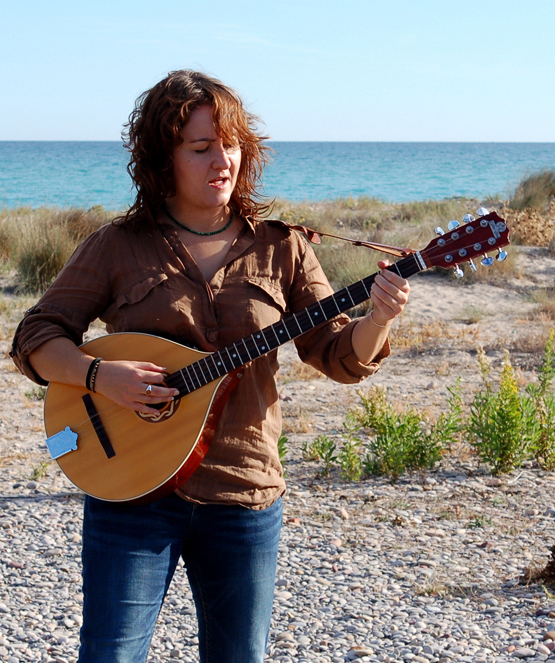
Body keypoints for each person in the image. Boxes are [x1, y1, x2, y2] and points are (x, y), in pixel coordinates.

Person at [10, 70, 410, 663]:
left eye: (231, 145)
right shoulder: (118, 245)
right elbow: (36, 336)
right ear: (162, 158)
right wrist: (101, 376)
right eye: (201, 148)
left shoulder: (282, 245)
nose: (222, 161)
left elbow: (335, 354)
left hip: (243, 491)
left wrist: (378, 318)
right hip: (131, 490)